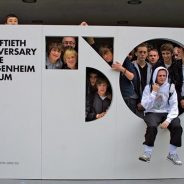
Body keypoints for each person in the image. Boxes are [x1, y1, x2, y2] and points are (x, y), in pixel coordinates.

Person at [139, 66, 183, 165]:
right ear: (155, 76)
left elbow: (174, 105)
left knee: (177, 126)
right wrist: (154, 92)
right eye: (160, 76)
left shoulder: (171, 87)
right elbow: (145, 105)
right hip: (152, 112)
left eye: (164, 75)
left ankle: (172, 153)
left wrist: (168, 120)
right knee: (152, 126)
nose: (162, 77)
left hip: (167, 112)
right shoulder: (149, 87)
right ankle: (147, 153)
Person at [132, 42, 152, 117]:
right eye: (140, 52)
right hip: (134, 102)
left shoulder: (151, 68)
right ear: (136, 53)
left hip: (148, 102)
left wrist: (145, 102)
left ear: (147, 54)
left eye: (144, 52)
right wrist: (138, 101)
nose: (142, 54)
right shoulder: (131, 66)